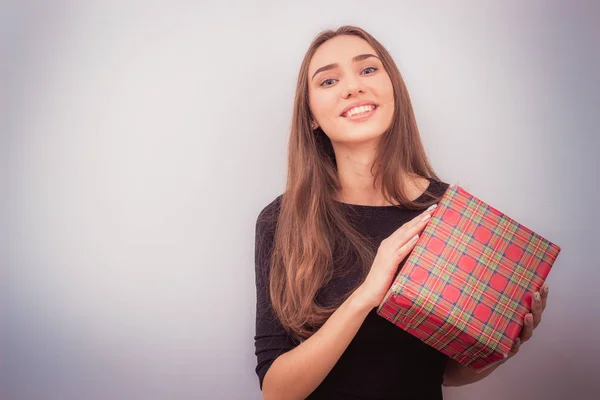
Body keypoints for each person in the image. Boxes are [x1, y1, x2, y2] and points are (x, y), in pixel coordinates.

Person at [253, 25, 548, 400]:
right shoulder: (280, 221)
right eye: (328, 81)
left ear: (393, 90)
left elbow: (438, 372)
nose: (352, 87)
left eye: (368, 70)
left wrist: (500, 346)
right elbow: (277, 392)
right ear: (311, 116)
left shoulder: (447, 212)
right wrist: (367, 294)